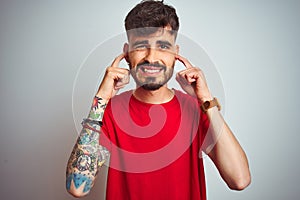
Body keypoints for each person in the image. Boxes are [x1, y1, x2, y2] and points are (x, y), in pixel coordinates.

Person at [66, 0, 251, 199]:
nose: (152, 57)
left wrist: (206, 99)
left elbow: (239, 179)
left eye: (163, 46)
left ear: (176, 54)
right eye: (141, 46)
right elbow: (78, 187)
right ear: (127, 53)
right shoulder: (110, 111)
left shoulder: (196, 109)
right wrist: (101, 98)